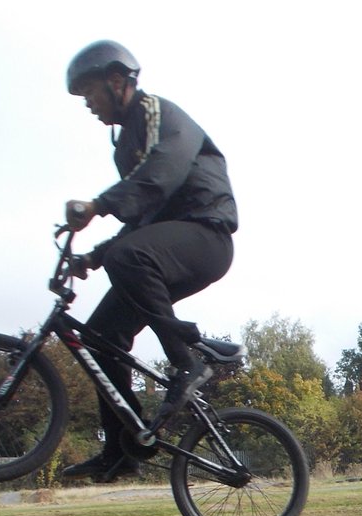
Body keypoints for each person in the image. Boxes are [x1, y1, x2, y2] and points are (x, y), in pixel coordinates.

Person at [60, 40, 238, 482]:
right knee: (101, 340)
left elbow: (163, 174)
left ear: (118, 81)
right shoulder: (125, 149)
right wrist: (93, 257)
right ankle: (123, 450)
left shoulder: (158, 114)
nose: (89, 105)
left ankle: (187, 362)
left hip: (206, 236)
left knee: (127, 256)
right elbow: (142, 218)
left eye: (91, 94)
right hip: (165, 247)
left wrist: (98, 205)